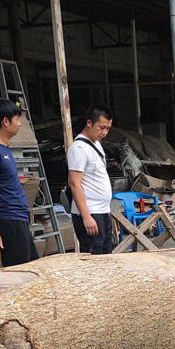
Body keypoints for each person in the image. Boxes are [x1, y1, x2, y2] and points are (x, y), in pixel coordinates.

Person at [0, 98, 39, 267]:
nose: (19, 124)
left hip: (19, 218)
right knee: (19, 274)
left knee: (32, 268)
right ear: (5, 122)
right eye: (17, 119)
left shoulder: (3, 148)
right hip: (9, 219)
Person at [67, 105, 114, 254]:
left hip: (103, 210)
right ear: (89, 123)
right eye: (101, 127)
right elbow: (74, 183)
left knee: (106, 255)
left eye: (108, 128)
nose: (104, 132)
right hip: (90, 212)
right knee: (94, 258)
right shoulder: (79, 148)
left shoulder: (97, 144)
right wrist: (86, 216)